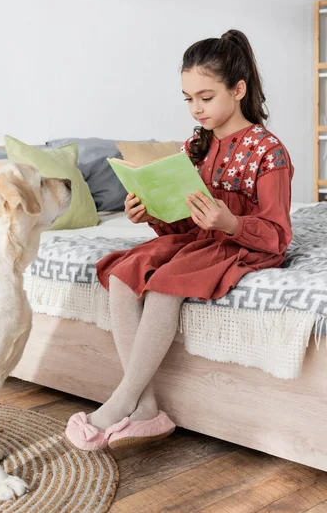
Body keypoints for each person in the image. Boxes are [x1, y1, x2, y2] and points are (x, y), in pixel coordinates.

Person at [65, 29, 294, 451]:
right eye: (188, 98)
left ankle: (120, 402)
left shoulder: (268, 150)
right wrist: (150, 212)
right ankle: (148, 409)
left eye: (206, 97)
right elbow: (184, 226)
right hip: (200, 242)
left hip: (242, 244)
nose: (196, 108)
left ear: (238, 89)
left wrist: (231, 223)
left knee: (167, 284)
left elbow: (278, 235)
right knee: (122, 272)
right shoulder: (194, 146)